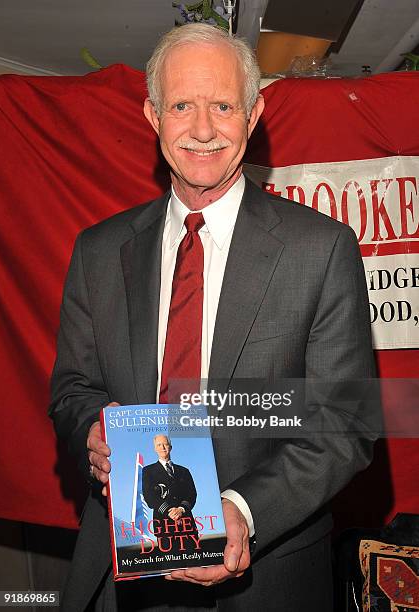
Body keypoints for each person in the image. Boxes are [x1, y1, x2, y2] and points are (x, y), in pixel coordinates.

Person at [50, 23, 376, 611]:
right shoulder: (97, 252)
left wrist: (245, 511)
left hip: (268, 580)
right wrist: (91, 433)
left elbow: (346, 420)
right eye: (182, 106)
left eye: (223, 106)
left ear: (254, 117)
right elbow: (73, 389)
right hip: (121, 572)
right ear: (154, 116)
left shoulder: (321, 249)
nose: (203, 130)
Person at [142, 435, 199, 553]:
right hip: (164, 525)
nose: (162, 447)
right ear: (155, 449)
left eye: (165, 444)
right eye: (159, 445)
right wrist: (169, 510)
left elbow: (192, 494)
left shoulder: (184, 471)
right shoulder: (148, 471)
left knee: (193, 561)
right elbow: (149, 497)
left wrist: (181, 509)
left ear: (170, 447)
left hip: (186, 524)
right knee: (170, 563)